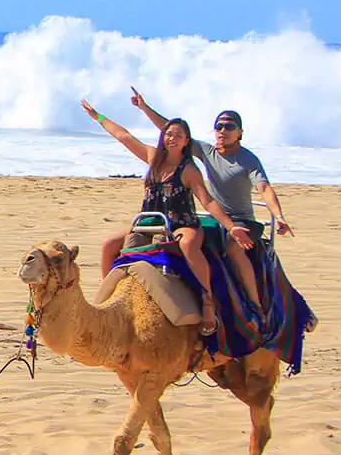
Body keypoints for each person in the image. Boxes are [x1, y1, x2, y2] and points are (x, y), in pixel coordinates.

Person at [80, 99, 251, 335]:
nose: (172, 138)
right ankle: (108, 301)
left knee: (190, 245)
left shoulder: (189, 169)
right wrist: (97, 116)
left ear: (186, 140)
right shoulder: (152, 158)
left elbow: (207, 201)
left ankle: (208, 300)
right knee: (110, 244)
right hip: (147, 224)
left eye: (178, 135)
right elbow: (123, 135)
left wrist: (231, 227)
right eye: (169, 134)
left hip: (181, 223)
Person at [121, 91, 291, 307]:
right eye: (219, 126)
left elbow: (264, 187)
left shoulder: (248, 160)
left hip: (241, 219)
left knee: (232, 247)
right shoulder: (207, 151)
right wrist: (144, 108)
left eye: (229, 127)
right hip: (213, 216)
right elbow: (171, 131)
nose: (223, 131)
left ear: (240, 132)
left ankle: (254, 302)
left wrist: (279, 215)